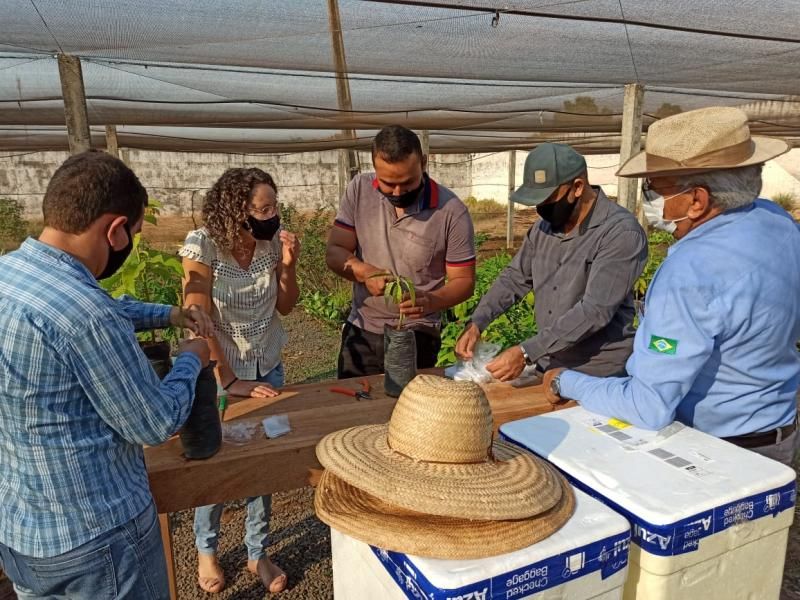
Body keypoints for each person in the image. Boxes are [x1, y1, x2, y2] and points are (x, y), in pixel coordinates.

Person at [0, 150, 212, 600]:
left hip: (23, 535)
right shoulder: (86, 314)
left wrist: (170, 313)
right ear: (114, 230)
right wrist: (193, 357)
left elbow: (106, 309)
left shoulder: (10, 274)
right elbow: (154, 422)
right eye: (133, 234)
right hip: (99, 541)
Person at [544, 106, 800, 466]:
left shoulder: (689, 272)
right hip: (778, 438)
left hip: (716, 453)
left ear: (697, 200)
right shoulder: (776, 220)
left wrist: (565, 381)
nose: (650, 200)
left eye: (656, 189)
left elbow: (648, 406)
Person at [179, 167, 300, 594]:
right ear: (235, 212)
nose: (272, 215)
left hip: (267, 361)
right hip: (219, 369)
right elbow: (197, 313)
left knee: (262, 461)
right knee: (215, 458)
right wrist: (226, 378)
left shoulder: (272, 241)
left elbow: (286, 305)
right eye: (262, 209)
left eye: (274, 206)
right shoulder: (204, 244)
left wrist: (289, 265)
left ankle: (257, 552)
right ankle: (207, 549)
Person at [455, 143, 647, 380]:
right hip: (550, 362)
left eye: (547, 199)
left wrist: (526, 352)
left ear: (577, 187)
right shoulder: (542, 230)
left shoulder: (620, 233)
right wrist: (477, 322)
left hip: (598, 372)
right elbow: (514, 279)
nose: (541, 208)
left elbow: (595, 310)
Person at [326, 125, 477, 377]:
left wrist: (431, 301)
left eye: (407, 182)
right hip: (362, 327)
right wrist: (364, 272)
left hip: (418, 333)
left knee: (409, 408)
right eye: (388, 184)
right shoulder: (358, 190)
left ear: (424, 163)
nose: (397, 192)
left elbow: (464, 281)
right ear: (375, 168)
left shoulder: (451, 211)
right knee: (354, 409)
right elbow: (335, 252)